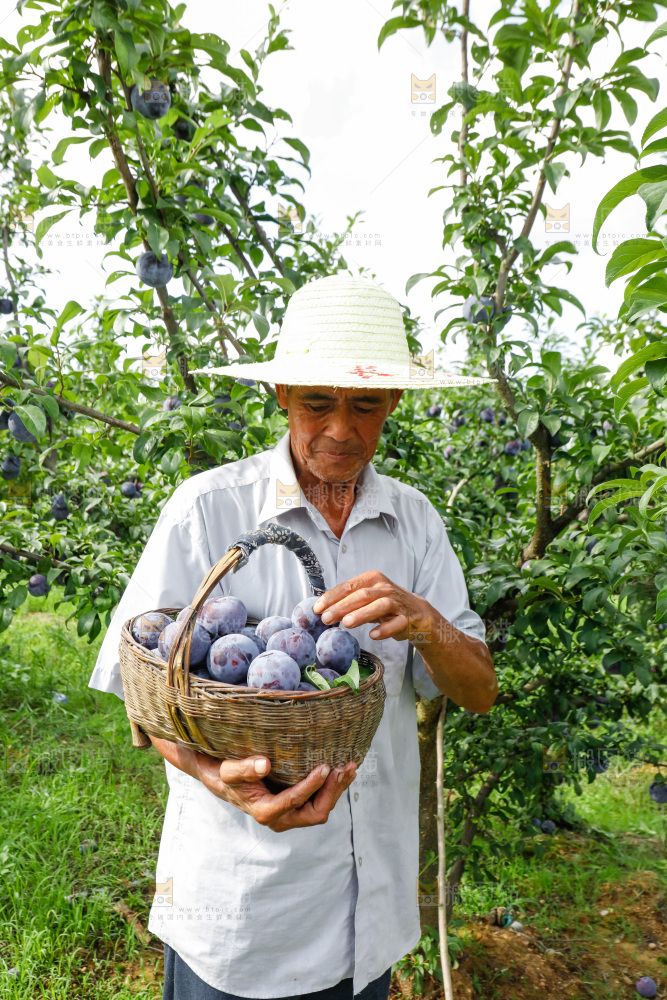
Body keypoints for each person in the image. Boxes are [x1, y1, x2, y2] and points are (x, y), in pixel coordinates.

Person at [89, 273, 498, 1000]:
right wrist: (219, 779)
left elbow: (479, 692)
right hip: (244, 917)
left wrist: (428, 624)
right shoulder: (208, 510)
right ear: (281, 395)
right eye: (316, 402)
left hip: (369, 920)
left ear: (393, 403)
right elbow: (142, 699)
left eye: (365, 404)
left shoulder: (415, 522)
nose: (340, 429)